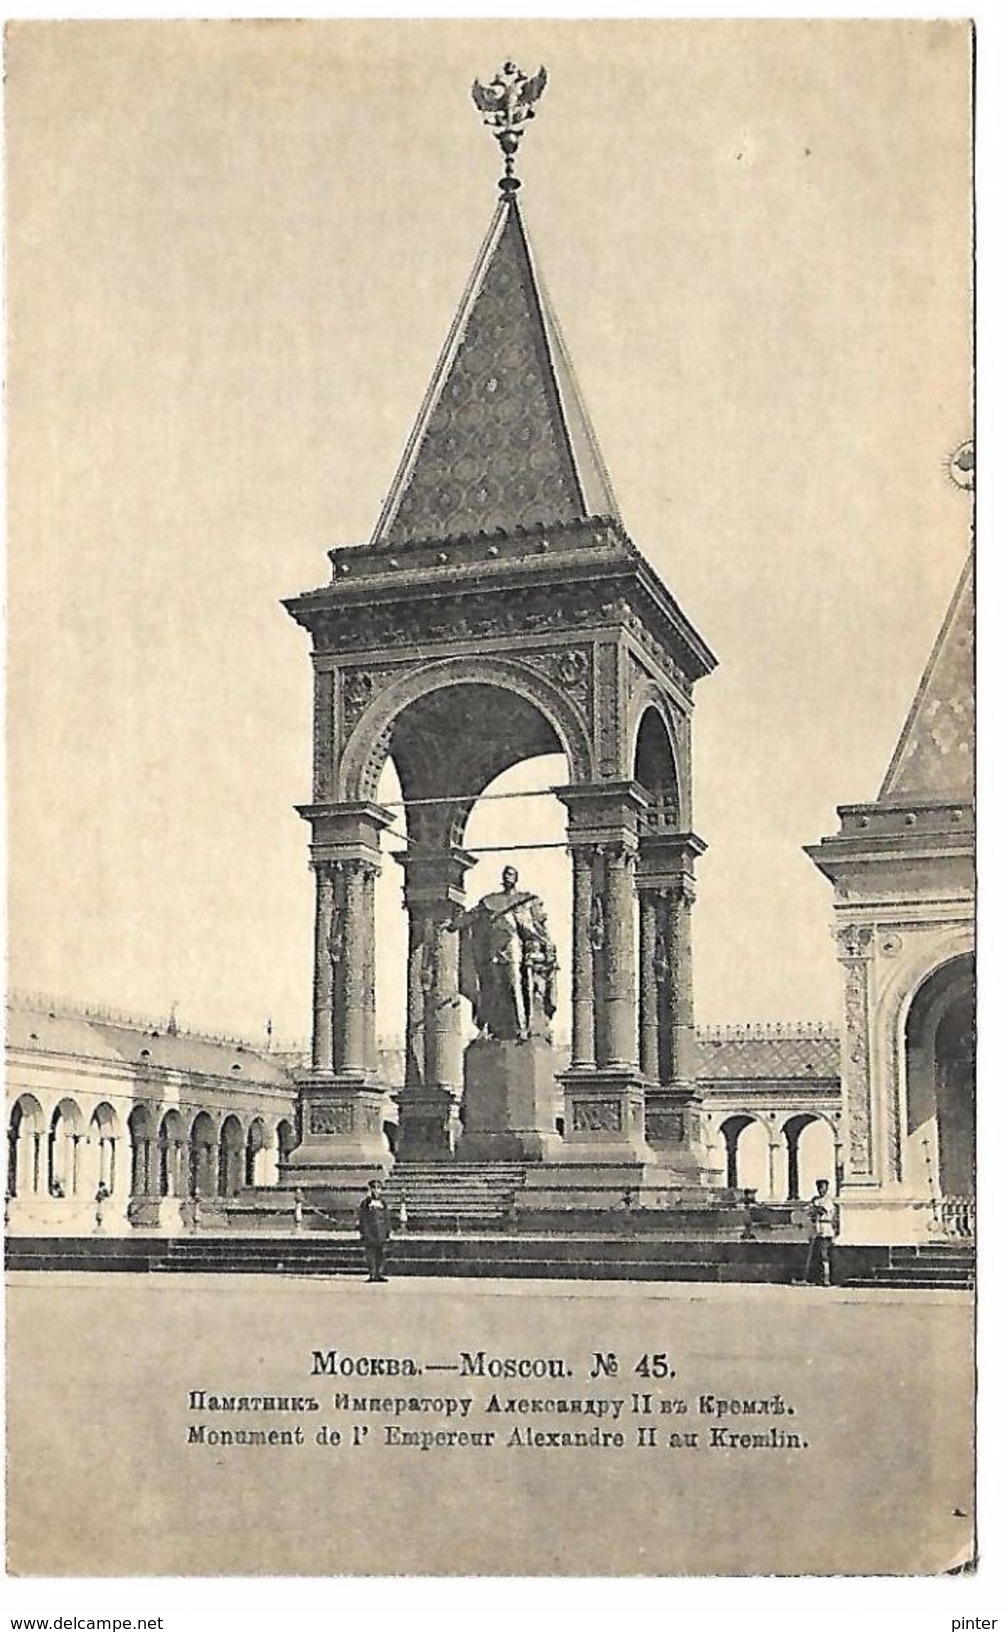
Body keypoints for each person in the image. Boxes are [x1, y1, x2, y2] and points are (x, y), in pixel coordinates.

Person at [456, 866, 557, 1041]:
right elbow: (472, 916)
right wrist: (454, 923)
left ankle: (521, 1026)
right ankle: (494, 1027)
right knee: (493, 988)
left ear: (516, 878)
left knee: (515, 986)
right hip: (493, 950)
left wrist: (545, 945)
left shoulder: (525, 900)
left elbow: (534, 928)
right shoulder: (490, 901)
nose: (508, 877)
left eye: (511, 874)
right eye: (505, 874)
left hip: (513, 948)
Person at [803, 1178, 839, 1286]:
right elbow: (809, 1212)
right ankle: (817, 1278)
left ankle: (826, 1278)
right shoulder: (816, 1199)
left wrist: (814, 1208)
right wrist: (813, 1209)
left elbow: (821, 1210)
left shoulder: (828, 1200)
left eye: (823, 1187)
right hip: (817, 1229)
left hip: (826, 1229)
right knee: (816, 1255)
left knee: (825, 1254)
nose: (821, 1190)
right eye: (819, 1188)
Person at [358, 1178, 394, 1283]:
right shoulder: (365, 1203)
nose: (376, 1190)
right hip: (370, 1232)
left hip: (381, 1232)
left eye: (378, 1188)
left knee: (381, 1254)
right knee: (370, 1254)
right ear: (370, 1189)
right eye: (373, 1188)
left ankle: (380, 1273)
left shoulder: (383, 1203)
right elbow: (362, 1218)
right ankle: (372, 1274)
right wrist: (364, 1231)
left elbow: (387, 1217)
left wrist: (388, 1231)